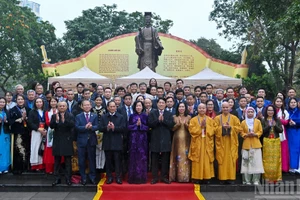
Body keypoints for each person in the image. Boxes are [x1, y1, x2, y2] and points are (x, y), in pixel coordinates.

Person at [148, 98, 175, 184]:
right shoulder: (152, 113)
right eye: (159, 103)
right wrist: (158, 120)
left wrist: (163, 121)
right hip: (155, 138)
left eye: (163, 103)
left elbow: (171, 125)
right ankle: (155, 177)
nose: (161, 104)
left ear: (165, 104)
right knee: (154, 159)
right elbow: (150, 124)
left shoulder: (169, 114)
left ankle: (164, 177)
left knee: (165, 159)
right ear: (157, 104)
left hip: (166, 138)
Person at [99, 101, 126, 184]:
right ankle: (109, 177)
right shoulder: (104, 117)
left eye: (114, 106)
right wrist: (107, 128)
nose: (112, 108)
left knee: (118, 161)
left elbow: (123, 128)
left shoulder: (120, 117)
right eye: (110, 106)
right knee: (108, 161)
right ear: (107, 107)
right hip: (107, 141)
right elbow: (100, 128)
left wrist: (114, 128)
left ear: (116, 107)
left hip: (117, 141)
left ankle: (118, 177)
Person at [214, 102, 241, 184]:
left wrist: (230, 127)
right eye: (223, 107)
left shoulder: (234, 118)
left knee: (231, 159)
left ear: (230, 108)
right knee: (221, 159)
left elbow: (239, 128)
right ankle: (222, 178)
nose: (225, 109)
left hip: (231, 142)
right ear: (221, 108)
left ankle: (231, 178)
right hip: (221, 142)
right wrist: (221, 128)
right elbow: (214, 129)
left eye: (227, 107)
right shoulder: (217, 118)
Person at [188, 103, 215, 183]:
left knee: (206, 159)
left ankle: (207, 177)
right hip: (197, 142)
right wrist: (200, 127)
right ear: (197, 109)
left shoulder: (210, 120)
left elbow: (213, 130)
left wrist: (206, 127)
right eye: (200, 108)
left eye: (203, 108)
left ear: (206, 109)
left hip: (206, 142)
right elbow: (192, 131)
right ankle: (196, 177)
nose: (202, 109)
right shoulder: (193, 120)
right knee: (197, 159)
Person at [50, 101, 75, 186]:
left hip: (67, 140)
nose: (62, 107)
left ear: (66, 107)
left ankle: (68, 179)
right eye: (60, 106)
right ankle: (57, 178)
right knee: (57, 161)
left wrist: (64, 121)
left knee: (68, 161)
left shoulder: (70, 115)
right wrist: (56, 121)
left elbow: (72, 125)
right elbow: (51, 126)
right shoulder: (54, 116)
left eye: (63, 106)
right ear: (57, 107)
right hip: (57, 141)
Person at [75, 100, 99, 185]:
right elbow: (77, 127)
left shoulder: (94, 116)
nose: (87, 106)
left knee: (92, 160)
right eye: (85, 105)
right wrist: (85, 127)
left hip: (91, 141)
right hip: (81, 141)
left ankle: (92, 177)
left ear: (91, 106)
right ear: (82, 106)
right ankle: (83, 177)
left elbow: (97, 126)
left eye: (88, 105)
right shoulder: (78, 116)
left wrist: (92, 127)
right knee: (81, 160)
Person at [240, 107, 264, 185]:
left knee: (256, 162)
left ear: (254, 113)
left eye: (252, 112)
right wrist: (246, 135)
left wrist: (255, 134)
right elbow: (241, 132)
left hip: (256, 144)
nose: (250, 113)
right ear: (246, 113)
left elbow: (260, 131)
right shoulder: (243, 122)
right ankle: (247, 180)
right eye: (248, 112)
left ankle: (256, 180)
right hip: (246, 144)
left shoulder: (257, 121)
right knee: (246, 162)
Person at [127, 101, 149, 184]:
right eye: (137, 106)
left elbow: (148, 128)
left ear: (142, 107)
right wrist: (136, 125)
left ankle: (141, 178)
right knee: (133, 158)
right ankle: (132, 178)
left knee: (142, 158)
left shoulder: (145, 116)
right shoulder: (132, 116)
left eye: (140, 106)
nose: (138, 107)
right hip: (133, 139)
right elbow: (128, 127)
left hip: (143, 140)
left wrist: (141, 126)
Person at [169, 102, 191, 182]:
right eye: (180, 107)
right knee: (176, 157)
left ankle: (185, 177)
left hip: (186, 140)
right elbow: (171, 129)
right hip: (176, 140)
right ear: (177, 108)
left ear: (185, 108)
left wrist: (187, 125)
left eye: (183, 107)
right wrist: (177, 125)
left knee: (185, 156)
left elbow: (191, 130)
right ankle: (176, 177)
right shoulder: (174, 117)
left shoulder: (189, 117)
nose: (181, 108)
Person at [8, 94, 30, 174]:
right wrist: (19, 119)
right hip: (17, 132)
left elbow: (31, 121)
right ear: (16, 100)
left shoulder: (28, 109)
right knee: (17, 150)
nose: (20, 101)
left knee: (26, 149)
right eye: (18, 99)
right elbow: (10, 121)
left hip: (26, 132)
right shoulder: (12, 110)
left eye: (22, 99)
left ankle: (26, 166)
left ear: (24, 100)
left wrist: (26, 119)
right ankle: (17, 168)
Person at [261, 105, 283, 182]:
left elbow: (281, 130)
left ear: (274, 111)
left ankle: (276, 178)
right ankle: (266, 178)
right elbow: (262, 131)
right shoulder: (263, 120)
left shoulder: (277, 120)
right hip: (266, 141)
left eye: (272, 110)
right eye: (269, 110)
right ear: (266, 111)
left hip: (275, 141)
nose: (270, 112)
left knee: (276, 160)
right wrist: (269, 126)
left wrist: (275, 125)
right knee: (266, 160)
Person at [28, 97, 47, 171]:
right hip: (36, 131)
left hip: (44, 131)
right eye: (37, 102)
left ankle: (42, 164)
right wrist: (38, 129)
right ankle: (35, 165)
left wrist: (45, 130)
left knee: (42, 147)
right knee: (35, 147)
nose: (39, 103)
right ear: (35, 103)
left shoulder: (45, 111)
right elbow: (30, 122)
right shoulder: (32, 112)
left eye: (40, 102)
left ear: (43, 103)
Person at [274, 97, 290, 173]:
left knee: (283, 150)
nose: (279, 103)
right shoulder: (272, 110)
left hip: (282, 132)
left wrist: (279, 120)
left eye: (280, 101)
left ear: (282, 103)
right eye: (277, 101)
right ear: (274, 102)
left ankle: (283, 168)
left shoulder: (285, 111)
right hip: (273, 131)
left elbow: (286, 122)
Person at [43, 98, 58, 174]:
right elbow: (47, 122)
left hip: (59, 130)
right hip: (50, 130)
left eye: (54, 101)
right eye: (51, 101)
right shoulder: (47, 112)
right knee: (50, 148)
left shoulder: (60, 110)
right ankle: (49, 168)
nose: (53, 103)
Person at [92, 96, 106, 170]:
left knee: (102, 149)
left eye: (99, 100)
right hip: (94, 130)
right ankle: (97, 165)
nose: (98, 101)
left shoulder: (105, 110)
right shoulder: (92, 109)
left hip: (102, 130)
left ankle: (102, 165)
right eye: (97, 100)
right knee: (96, 149)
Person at [286, 98, 300, 174]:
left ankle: (297, 167)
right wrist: (288, 123)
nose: (293, 103)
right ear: (289, 103)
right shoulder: (286, 112)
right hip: (288, 132)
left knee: (296, 149)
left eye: (294, 102)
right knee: (289, 149)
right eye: (291, 102)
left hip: (297, 132)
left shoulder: (299, 111)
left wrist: (296, 123)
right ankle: (291, 167)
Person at [0, 97, 10, 174]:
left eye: (3, 102)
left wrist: (6, 121)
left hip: (6, 133)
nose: (2, 103)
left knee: (6, 150)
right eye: (0, 102)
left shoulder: (7, 112)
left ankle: (5, 167)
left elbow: (10, 122)